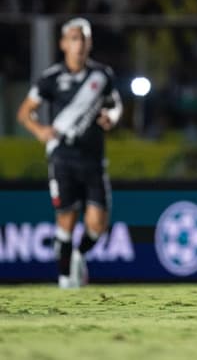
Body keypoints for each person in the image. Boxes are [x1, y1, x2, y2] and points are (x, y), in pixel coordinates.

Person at [17, 18, 123, 289]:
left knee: (98, 224)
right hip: (62, 157)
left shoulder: (102, 75)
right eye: (74, 38)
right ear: (64, 43)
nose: (80, 44)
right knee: (66, 218)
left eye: (84, 38)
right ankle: (65, 280)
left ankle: (79, 254)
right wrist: (39, 131)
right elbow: (24, 112)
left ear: (90, 43)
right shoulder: (51, 78)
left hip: (94, 158)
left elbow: (115, 105)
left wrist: (111, 116)